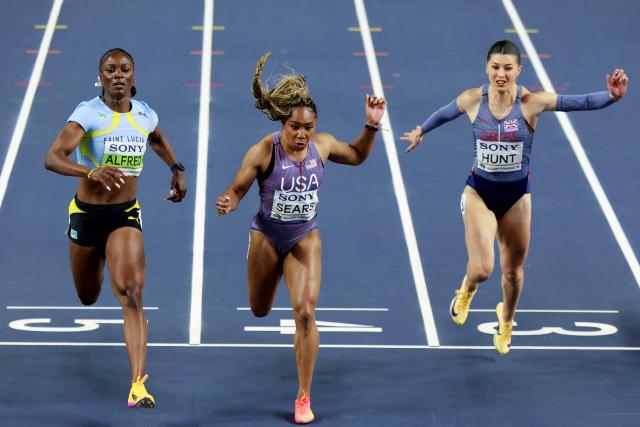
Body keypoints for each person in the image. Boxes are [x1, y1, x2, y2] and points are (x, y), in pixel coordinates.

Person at [401, 40, 628, 355]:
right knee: (482, 269)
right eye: (495, 67)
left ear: (519, 70)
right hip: (480, 191)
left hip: (517, 196)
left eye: (508, 68)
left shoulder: (531, 103)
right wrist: (421, 131)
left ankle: (506, 320)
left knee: (513, 272)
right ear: (487, 68)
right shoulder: (472, 100)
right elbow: (444, 113)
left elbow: (580, 102)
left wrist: (612, 97)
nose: (501, 74)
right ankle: (465, 291)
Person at [216, 52, 386, 424]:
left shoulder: (321, 146)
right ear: (283, 124)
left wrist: (371, 126)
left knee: (306, 313)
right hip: (265, 235)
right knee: (259, 310)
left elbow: (356, 154)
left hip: (303, 239)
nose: (302, 135)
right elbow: (238, 186)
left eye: (308, 128)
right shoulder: (264, 150)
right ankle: (269, 277)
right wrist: (229, 200)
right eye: (295, 127)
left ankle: (304, 396)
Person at [44, 48, 187, 407]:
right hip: (87, 215)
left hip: (124, 215)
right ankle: (102, 257)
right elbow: (53, 158)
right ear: (101, 77)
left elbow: (154, 137)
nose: (118, 75)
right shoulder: (87, 114)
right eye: (111, 70)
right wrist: (89, 171)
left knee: (132, 294)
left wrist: (176, 168)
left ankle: (138, 383)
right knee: (88, 296)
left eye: (125, 69)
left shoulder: (144, 113)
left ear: (133, 77)